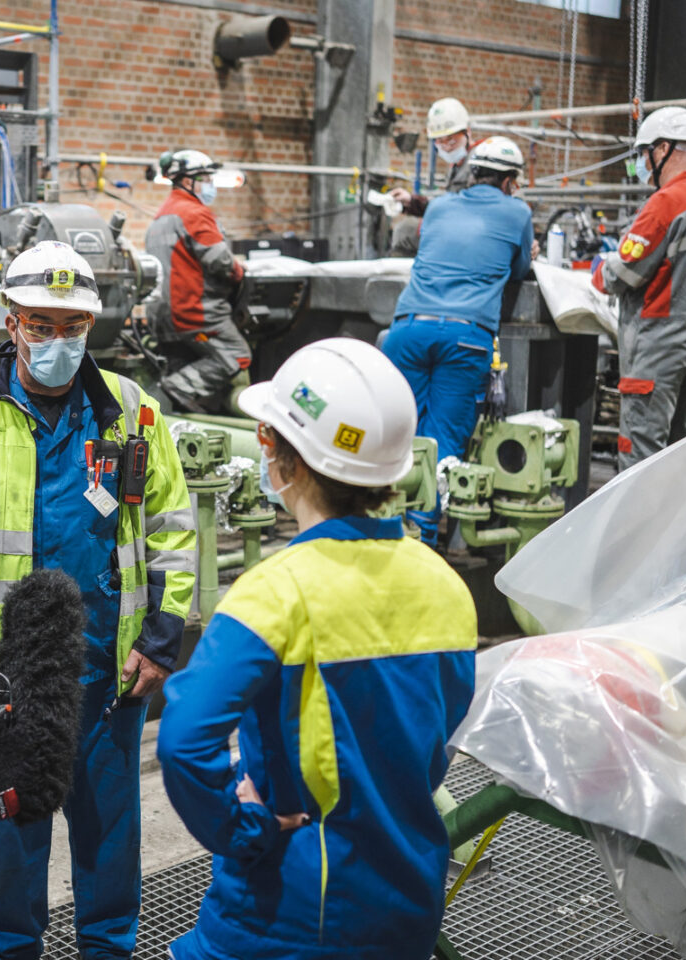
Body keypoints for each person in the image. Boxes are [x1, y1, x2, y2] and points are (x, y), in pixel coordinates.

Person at [0, 241, 196, 960]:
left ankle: (107, 948)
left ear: (91, 326)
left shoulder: (131, 410)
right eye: (41, 323)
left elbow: (174, 531)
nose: (57, 341)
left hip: (108, 664)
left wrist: (159, 643)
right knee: (12, 832)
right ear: (11, 322)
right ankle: (9, 949)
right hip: (2, 676)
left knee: (110, 832)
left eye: (72, 327)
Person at [158, 337, 478, 960]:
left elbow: (183, 742)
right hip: (409, 902)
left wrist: (244, 828)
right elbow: (433, 739)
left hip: (291, 910)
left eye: (269, 439)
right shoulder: (446, 585)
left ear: (286, 462)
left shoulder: (275, 593)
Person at [381, 136, 533, 545]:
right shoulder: (517, 212)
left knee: (398, 438)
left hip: (407, 329)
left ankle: (382, 534)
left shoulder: (442, 206)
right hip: (465, 338)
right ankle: (422, 547)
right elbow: (520, 268)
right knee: (441, 444)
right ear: (508, 181)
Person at [593, 107, 686, 469]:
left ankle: (637, 527)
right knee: (681, 455)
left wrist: (598, 271)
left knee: (640, 454)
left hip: (659, 345)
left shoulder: (665, 203)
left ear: (662, 149)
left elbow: (620, 274)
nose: (642, 162)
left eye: (643, 153)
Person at [145, 148, 250, 414]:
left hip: (162, 315)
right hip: (195, 312)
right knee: (235, 353)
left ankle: (177, 412)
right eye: (206, 178)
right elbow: (220, 261)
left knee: (184, 362)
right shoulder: (193, 212)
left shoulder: (160, 218)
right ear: (187, 181)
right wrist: (239, 270)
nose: (210, 184)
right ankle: (173, 391)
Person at [389, 97, 476, 256]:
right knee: (404, 229)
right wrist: (411, 201)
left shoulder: (478, 163)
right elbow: (448, 204)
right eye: (440, 142)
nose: (446, 148)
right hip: (455, 228)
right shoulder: (457, 165)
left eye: (450, 141)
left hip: (468, 233)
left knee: (405, 231)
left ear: (468, 131)